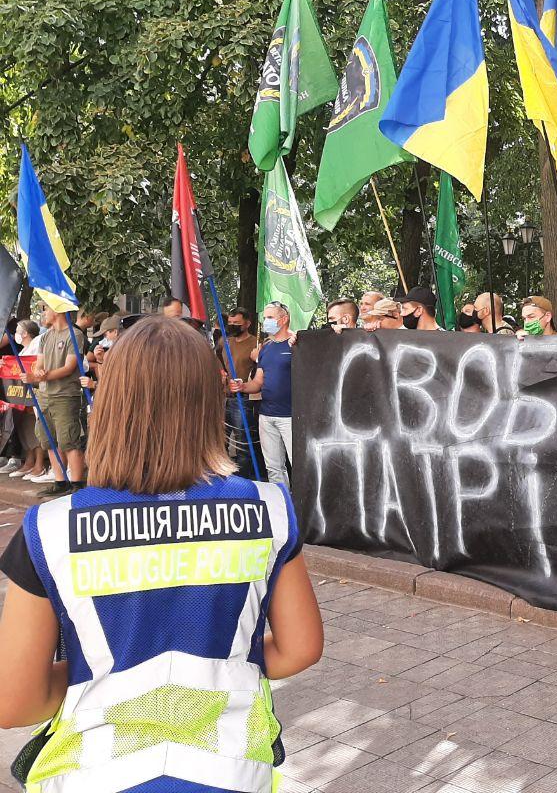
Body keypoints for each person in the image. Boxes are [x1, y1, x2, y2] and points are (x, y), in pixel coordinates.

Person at [0, 316, 323, 790]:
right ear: (208, 402)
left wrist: (108, 677)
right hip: (231, 771)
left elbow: (14, 702)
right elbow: (300, 649)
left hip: (97, 774)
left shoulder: (50, 529)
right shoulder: (268, 509)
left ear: (111, 403)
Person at [20, 306, 87, 493]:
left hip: (65, 395)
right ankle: (60, 482)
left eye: (46, 309)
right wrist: (37, 372)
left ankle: (76, 484)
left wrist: (42, 376)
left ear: (56, 310)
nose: (43, 314)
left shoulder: (74, 335)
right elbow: (38, 364)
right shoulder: (45, 337)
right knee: (49, 440)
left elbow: (69, 367)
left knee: (69, 440)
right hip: (45, 396)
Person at [232, 301, 294, 486]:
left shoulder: (296, 344)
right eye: (264, 318)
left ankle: (302, 505)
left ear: (283, 320)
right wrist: (243, 387)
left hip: (291, 416)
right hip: (266, 415)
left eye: (269, 318)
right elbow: (258, 382)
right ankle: (282, 502)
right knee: (273, 467)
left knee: (298, 463)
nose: (265, 322)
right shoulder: (265, 347)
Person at [218, 307, 263, 481]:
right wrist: (221, 372)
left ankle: (244, 480)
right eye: (230, 323)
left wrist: (257, 359)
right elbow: (218, 360)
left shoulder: (256, 344)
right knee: (220, 441)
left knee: (243, 443)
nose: (232, 326)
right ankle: (222, 478)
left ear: (247, 323)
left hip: (243, 399)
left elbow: (262, 370)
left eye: (237, 323)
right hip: (224, 398)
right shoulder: (225, 342)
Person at [9, 320, 47, 483]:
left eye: (18, 330)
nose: (16, 333)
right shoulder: (24, 349)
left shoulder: (37, 343)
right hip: (21, 397)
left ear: (26, 333)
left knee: (35, 429)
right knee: (25, 428)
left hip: (35, 394)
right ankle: (29, 461)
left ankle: (40, 464)